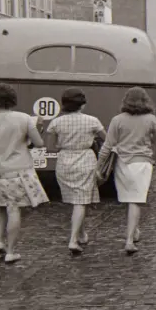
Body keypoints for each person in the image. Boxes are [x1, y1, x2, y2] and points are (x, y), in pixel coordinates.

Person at [0, 83, 50, 263]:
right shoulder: (24, 118)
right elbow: (39, 143)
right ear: (12, 99)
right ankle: (11, 251)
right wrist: (37, 129)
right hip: (18, 169)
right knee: (14, 209)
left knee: (0, 207)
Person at [99, 86, 156, 254]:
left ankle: (134, 231)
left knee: (128, 199)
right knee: (136, 200)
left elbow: (107, 146)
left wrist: (98, 166)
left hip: (122, 163)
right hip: (142, 163)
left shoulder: (117, 120)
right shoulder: (151, 119)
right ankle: (129, 240)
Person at [45, 88, 107, 255]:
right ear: (82, 104)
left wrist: (64, 144)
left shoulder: (56, 123)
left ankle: (81, 234)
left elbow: (51, 147)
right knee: (81, 200)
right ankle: (73, 239)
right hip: (85, 159)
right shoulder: (92, 121)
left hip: (64, 161)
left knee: (76, 200)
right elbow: (106, 139)